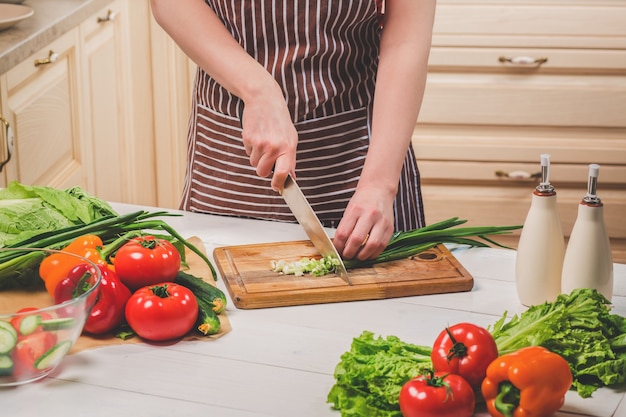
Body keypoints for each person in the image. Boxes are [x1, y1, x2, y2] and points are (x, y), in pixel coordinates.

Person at [150, 0, 436, 261]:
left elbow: (406, 38)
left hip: (359, 150)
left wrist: (378, 185)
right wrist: (257, 90)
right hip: (231, 154)